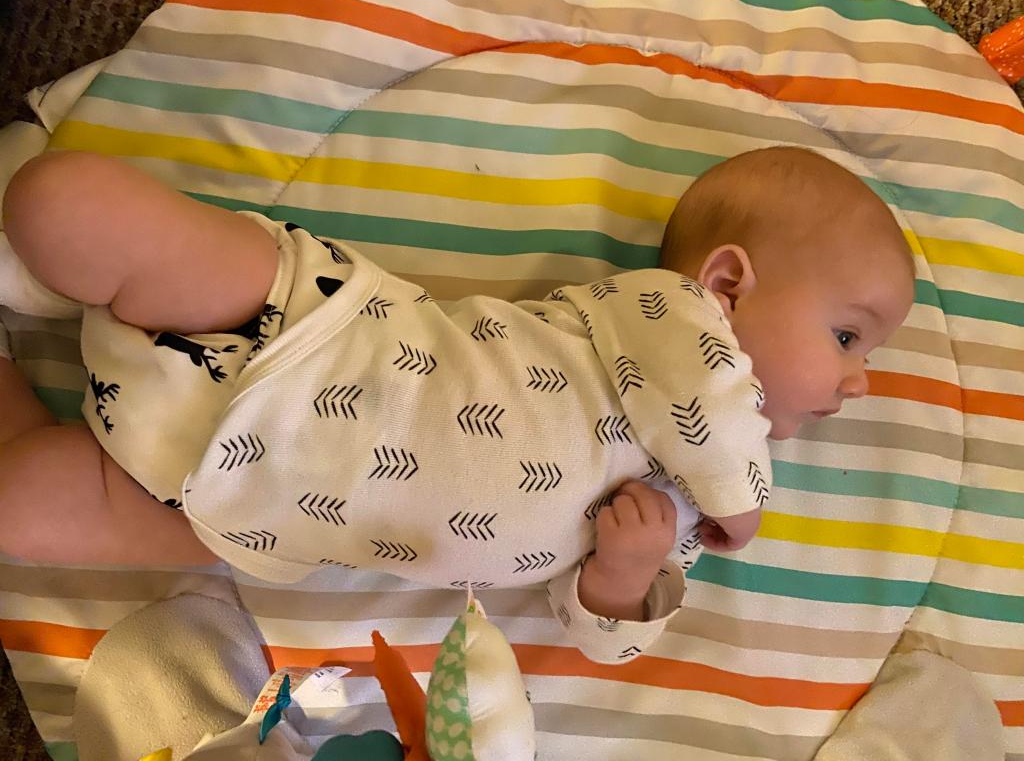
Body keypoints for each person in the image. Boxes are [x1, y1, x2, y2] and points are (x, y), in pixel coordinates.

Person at [0, 146, 915, 663]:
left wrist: (625, 574)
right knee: (64, 201)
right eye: (847, 335)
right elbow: (703, 399)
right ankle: (53, 275)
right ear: (727, 285)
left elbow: (603, 641)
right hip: (307, 331)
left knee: (19, 507)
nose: (860, 379)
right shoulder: (669, 318)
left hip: (253, 511)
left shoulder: (677, 514)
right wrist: (742, 500)